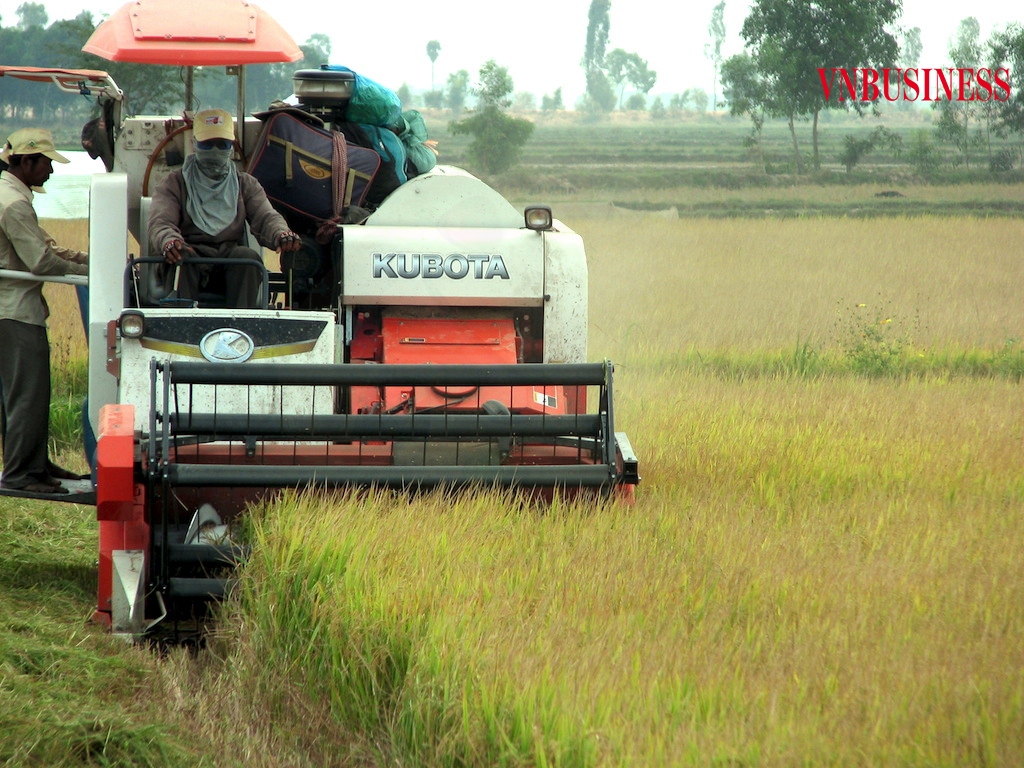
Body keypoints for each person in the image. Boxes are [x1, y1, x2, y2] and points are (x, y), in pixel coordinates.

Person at [0, 128, 89, 495]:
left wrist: (84, 258)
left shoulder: (11, 195)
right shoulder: (14, 204)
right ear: (25, 161)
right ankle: (22, 473)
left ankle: (35, 465)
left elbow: (44, 247)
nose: (51, 171)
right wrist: (90, 271)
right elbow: (40, 260)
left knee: (20, 395)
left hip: (13, 310)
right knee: (28, 396)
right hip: (17, 312)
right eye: (47, 163)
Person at [148, 108, 300, 308]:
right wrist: (170, 242)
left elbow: (266, 217)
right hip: (188, 255)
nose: (214, 151)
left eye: (222, 145)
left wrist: (281, 233)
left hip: (227, 259)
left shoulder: (245, 184)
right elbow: (161, 222)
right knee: (183, 257)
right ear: (195, 144)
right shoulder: (174, 183)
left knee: (248, 258)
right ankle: (181, 322)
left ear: (231, 146)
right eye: (208, 144)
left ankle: (242, 326)